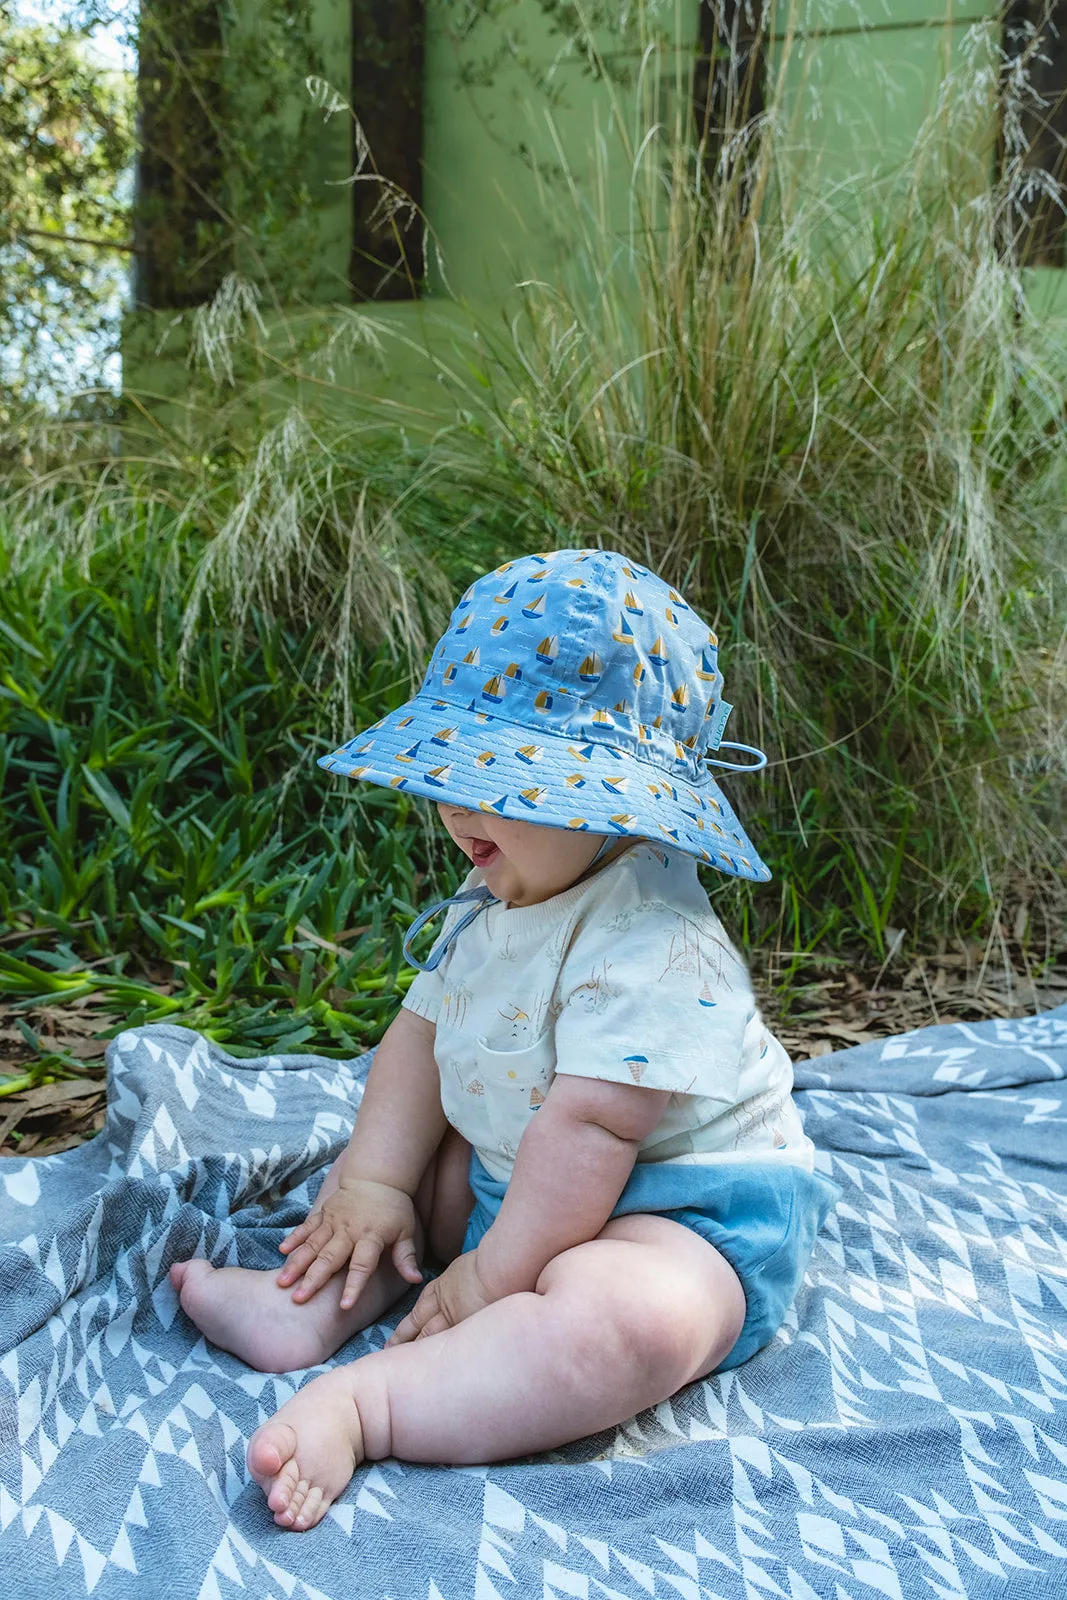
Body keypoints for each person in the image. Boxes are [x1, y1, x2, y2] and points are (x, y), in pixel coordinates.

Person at [169, 547, 840, 1532]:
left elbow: (592, 1130)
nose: (457, 806)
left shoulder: (653, 931)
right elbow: (418, 1033)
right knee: (409, 1177)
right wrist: (375, 1184)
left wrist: (492, 1274)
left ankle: (376, 1401)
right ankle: (318, 1298)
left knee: (622, 1322)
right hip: (514, 1182)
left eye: (505, 779)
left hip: (683, 1210)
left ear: (619, 799)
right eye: (455, 771)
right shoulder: (498, 889)